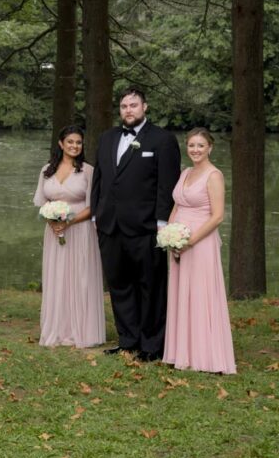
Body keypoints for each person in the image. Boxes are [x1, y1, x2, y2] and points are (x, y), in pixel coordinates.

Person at [91, 87, 181, 362]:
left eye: (133, 105)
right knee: (119, 285)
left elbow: (167, 185)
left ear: (145, 107)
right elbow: (100, 180)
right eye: (124, 106)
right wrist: (97, 215)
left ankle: (152, 345)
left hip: (146, 228)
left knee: (150, 287)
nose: (128, 110)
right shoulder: (107, 138)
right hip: (110, 226)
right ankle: (127, 340)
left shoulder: (162, 140)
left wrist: (162, 223)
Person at [163, 129, 236, 374]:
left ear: (210, 148)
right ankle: (181, 351)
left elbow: (217, 217)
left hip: (199, 242)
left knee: (200, 294)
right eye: (192, 145)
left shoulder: (214, 175)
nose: (195, 150)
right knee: (181, 293)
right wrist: (170, 236)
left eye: (200, 146)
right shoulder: (186, 172)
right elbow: (176, 205)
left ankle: (205, 355)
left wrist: (189, 241)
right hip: (177, 242)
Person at [32, 125, 105, 348]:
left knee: (80, 276)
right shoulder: (47, 170)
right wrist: (52, 221)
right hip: (54, 233)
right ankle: (57, 327)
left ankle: (81, 329)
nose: (74, 146)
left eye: (78, 142)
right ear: (61, 144)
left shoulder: (88, 171)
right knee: (57, 276)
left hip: (81, 231)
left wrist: (69, 221)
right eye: (70, 142)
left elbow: (94, 206)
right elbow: (42, 202)